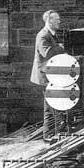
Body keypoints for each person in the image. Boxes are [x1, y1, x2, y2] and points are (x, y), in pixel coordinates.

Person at [30, 10, 65, 142]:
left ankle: (48, 135)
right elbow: (47, 53)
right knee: (54, 104)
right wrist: (61, 48)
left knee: (49, 107)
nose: (59, 22)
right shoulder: (43, 35)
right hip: (45, 76)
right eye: (57, 20)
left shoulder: (51, 35)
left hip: (50, 74)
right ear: (49, 21)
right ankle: (57, 134)